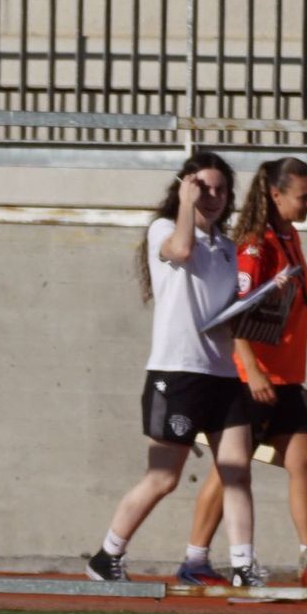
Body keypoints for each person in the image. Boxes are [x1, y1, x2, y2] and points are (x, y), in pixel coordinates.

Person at [86, 151, 268, 588]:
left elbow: (226, 312)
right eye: (202, 187)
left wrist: (265, 305)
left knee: (237, 470)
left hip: (222, 375)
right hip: (177, 372)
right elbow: (181, 250)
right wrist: (186, 205)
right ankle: (106, 556)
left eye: (220, 189)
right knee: (164, 477)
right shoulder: (164, 230)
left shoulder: (227, 249)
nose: (213, 196)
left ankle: (244, 565)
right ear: (184, 186)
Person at [177, 157, 307, 585]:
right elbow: (234, 312)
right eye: (304, 196)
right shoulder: (255, 245)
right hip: (251, 380)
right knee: (230, 472)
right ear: (276, 195)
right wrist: (253, 370)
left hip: (286, 378)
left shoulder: (288, 236)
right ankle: (195, 557)